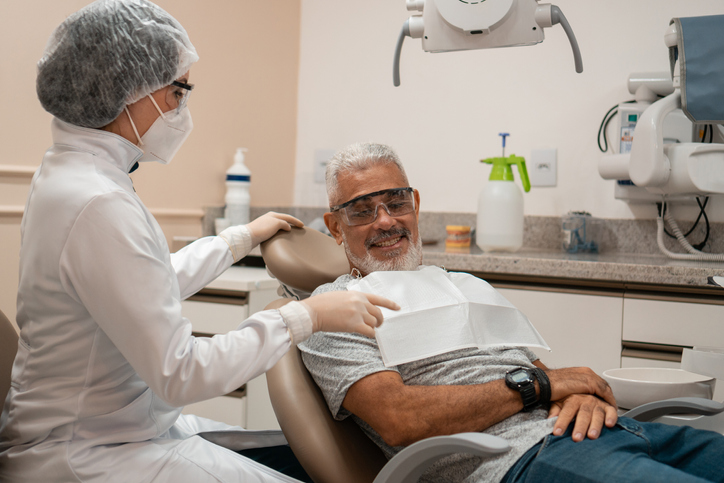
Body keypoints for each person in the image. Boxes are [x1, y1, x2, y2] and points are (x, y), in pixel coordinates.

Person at [0, 3, 398, 482]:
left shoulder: (70, 174)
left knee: (281, 452)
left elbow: (145, 283)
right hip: (87, 452)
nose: (181, 108)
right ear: (125, 91)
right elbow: (180, 372)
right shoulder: (97, 201)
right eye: (177, 91)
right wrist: (305, 317)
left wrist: (240, 237)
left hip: (108, 426)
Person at [299, 142, 724, 483]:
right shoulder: (330, 311)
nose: (386, 221)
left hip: (606, 432)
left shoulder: (464, 286)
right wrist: (541, 386)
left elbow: (537, 372)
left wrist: (577, 394)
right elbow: (400, 418)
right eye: (361, 210)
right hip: (522, 461)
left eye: (396, 202)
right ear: (335, 227)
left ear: (416, 204)